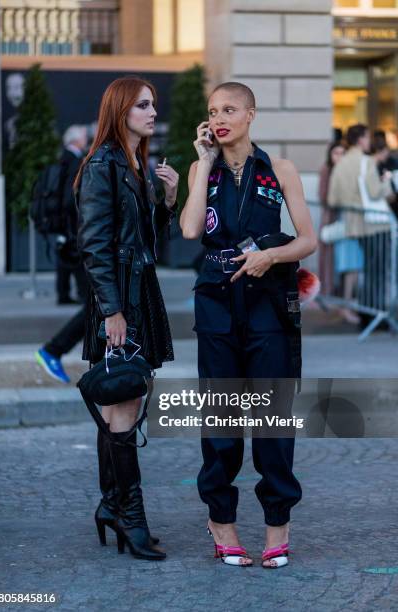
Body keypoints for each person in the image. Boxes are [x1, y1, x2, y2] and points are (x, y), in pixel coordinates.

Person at [180, 82, 317, 568]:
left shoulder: (279, 169)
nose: (220, 118)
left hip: (268, 305)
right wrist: (202, 166)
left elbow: (307, 239)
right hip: (216, 303)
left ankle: (278, 524)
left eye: (230, 109)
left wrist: (271, 256)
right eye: (213, 111)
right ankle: (222, 523)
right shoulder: (202, 168)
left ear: (251, 114)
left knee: (273, 420)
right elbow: (191, 229)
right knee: (220, 421)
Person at [76, 76, 179, 560]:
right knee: (123, 404)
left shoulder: (135, 165)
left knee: (124, 401)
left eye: (153, 104)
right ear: (120, 111)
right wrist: (112, 310)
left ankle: (111, 505)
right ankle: (129, 516)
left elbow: (149, 242)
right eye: (142, 105)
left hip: (138, 292)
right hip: (120, 298)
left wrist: (167, 198)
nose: (152, 112)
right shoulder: (102, 165)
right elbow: (94, 245)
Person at [35, 126, 89, 384]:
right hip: (79, 240)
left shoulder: (61, 159)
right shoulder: (76, 161)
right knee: (99, 305)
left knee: (99, 305)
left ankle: (96, 362)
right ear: (77, 140)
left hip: (70, 239)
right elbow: (70, 201)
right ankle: (53, 350)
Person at [327, 124, 392, 324]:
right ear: (361, 139)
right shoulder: (367, 162)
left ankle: (367, 313)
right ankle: (375, 315)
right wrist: (387, 181)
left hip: (352, 224)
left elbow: (332, 200)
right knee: (379, 270)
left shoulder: (342, 163)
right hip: (375, 224)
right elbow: (374, 192)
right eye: (367, 137)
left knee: (369, 269)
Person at [56, 125, 89, 305]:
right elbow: (70, 192)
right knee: (76, 254)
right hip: (70, 216)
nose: (86, 139)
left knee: (65, 253)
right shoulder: (75, 160)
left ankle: (63, 293)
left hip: (62, 215)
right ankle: (83, 293)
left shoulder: (63, 156)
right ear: (75, 139)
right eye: (84, 136)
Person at [318, 141, 345, 295]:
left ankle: (338, 290)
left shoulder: (344, 170)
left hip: (343, 216)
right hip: (330, 217)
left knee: (341, 255)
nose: (339, 157)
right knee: (327, 253)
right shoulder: (326, 169)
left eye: (342, 153)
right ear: (330, 154)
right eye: (336, 153)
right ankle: (326, 289)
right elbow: (323, 195)